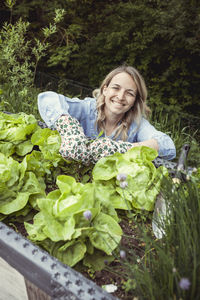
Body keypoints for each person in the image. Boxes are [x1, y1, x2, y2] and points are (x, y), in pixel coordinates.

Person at [38, 65, 176, 165]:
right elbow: (47, 98)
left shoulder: (137, 124)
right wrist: (68, 129)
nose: (121, 96)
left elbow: (167, 145)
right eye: (116, 88)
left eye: (129, 93)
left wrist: (123, 148)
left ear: (135, 101)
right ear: (105, 90)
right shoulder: (88, 109)